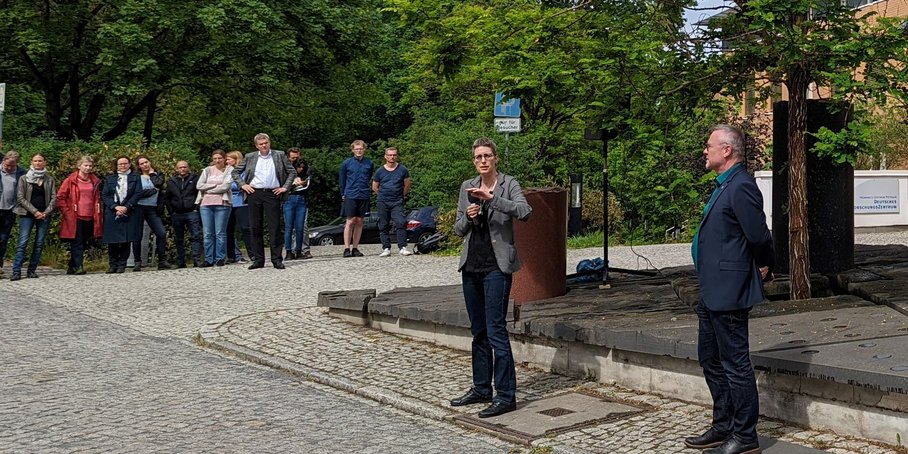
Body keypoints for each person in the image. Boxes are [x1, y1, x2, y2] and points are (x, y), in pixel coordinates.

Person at [685, 125, 774, 454]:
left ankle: (745, 435)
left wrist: (765, 264)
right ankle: (723, 425)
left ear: (727, 151)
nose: (704, 151)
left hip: (730, 291)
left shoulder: (741, 186)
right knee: (709, 359)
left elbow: (759, 236)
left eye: (709, 146)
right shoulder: (723, 185)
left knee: (735, 364)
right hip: (711, 290)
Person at [449, 138, 531, 419]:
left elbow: (524, 212)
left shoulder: (509, 184)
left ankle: (506, 396)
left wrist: (491, 199)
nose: (482, 161)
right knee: (478, 330)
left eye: (487, 156)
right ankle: (481, 387)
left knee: (496, 329)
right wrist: (469, 216)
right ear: (473, 161)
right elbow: (458, 229)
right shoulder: (467, 186)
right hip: (471, 265)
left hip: (497, 266)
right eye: (478, 157)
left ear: (495, 158)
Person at [231, 133, 295, 270]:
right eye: (261, 144)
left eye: (265, 143)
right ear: (256, 146)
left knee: (275, 227)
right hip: (254, 192)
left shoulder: (279, 155)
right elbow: (235, 172)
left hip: (273, 192)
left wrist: (285, 187)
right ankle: (258, 259)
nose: (264, 146)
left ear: (269, 142)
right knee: (255, 226)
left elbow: (292, 172)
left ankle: (277, 259)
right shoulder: (250, 157)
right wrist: (243, 185)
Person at [10, 154, 56, 280]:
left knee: (39, 243)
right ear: (32, 162)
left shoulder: (49, 179)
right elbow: (20, 197)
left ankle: (32, 270)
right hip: (27, 214)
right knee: (23, 242)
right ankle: (16, 271)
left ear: (45, 162)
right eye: (35, 161)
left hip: (44, 215)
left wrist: (46, 212)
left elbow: (53, 198)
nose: (37, 163)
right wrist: (35, 211)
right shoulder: (24, 178)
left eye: (40, 161)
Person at [57, 156, 103, 275]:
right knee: (77, 242)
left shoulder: (95, 181)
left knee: (83, 241)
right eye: (85, 165)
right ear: (79, 166)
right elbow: (60, 197)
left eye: (90, 166)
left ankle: (71, 266)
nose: (88, 168)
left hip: (91, 215)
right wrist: (67, 211)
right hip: (75, 216)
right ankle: (79, 266)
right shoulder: (71, 180)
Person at [101, 156, 143, 273]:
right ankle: (112, 264)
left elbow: (138, 193)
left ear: (129, 164)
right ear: (116, 166)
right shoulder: (109, 178)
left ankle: (122, 264)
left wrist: (126, 207)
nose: (123, 166)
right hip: (112, 211)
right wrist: (115, 207)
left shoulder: (136, 177)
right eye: (120, 164)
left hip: (129, 211)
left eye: (125, 163)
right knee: (112, 240)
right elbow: (105, 195)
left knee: (126, 239)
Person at [132, 155, 172, 270]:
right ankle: (137, 261)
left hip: (153, 208)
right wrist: (153, 191)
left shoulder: (157, 174)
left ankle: (162, 261)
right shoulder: (136, 177)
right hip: (139, 207)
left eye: (146, 162)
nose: (145, 165)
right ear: (138, 166)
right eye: (142, 163)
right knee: (137, 235)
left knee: (161, 233)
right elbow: (138, 194)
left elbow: (159, 183)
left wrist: (151, 174)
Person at [372, 147, 412, 257]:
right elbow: (375, 186)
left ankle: (403, 247)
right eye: (389, 155)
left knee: (400, 222)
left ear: (397, 156)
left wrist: (401, 195)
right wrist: (382, 195)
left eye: (394, 155)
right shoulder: (380, 171)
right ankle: (386, 248)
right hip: (383, 201)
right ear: (385, 156)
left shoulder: (403, 169)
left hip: (397, 201)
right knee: (383, 225)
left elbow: (407, 184)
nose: (392, 157)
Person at [164, 160, 202, 268]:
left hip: (192, 212)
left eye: (185, 167)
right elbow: (167, 198)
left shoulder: (195, 179)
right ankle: (181, 261)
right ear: (176, 169)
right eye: (180, 167)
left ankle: (196, 259)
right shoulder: (171, 181)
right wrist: (172, 211)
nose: (183, 169)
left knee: (196, 236)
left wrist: (196, 208)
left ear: (188, 168)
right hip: (177, 213)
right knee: (179, 238)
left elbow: (200, 193)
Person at [339, 139, 373, 258]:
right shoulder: (346, 163)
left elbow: (369, 177)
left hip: (363, 194)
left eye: (361, 149)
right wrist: (343, 193)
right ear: (353, 150)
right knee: (350, 220)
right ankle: (346, 248)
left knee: (359, 221)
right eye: (356, 149)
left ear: (364, 150)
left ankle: (355, 248)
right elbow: (342, 180)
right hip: (350, 194)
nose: (359, 151)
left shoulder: (369, 163)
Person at [284, 147, 313, 260]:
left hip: (302, 200)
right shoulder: (284, 169)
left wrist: (294, 186)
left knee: (301, 226)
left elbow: (307, 186)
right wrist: (295, 185)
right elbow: (284, 187)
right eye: (292, 158)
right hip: (289, 199)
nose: (294, 159)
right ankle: (288, 251)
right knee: (289, 227)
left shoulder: (307, 169)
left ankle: (300, 250)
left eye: (296, 157)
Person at [0, 151, 26, 275]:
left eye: (12, 166)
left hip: (10, 210)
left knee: (3, 239)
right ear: (3, 161)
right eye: (7, 165)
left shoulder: (21, 173)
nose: (9, 168)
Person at [225, 151, 251, 264]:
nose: (227, 161)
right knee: (229, 230)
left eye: (229, 159)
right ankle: (233, 255)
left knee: (245, 228)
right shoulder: (226, 172)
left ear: (236, 160)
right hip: (229, 203)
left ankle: (252, 253)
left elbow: (238, 185)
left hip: (242, 203)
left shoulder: (244, 172)